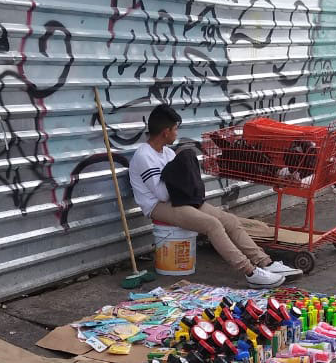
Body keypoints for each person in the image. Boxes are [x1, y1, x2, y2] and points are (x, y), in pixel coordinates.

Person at [128, 104, 301, 287]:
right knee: (212, 225)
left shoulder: (168, 152)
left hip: (180, 199)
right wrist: (179, 178)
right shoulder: (144, 156)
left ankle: (266, 262)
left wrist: (182, 179)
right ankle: (250, 272)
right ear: (165, 132)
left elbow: (177, 183)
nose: (176, 134)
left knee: (230, 221)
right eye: (175, 129)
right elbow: (162, 195)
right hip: (158, 206)